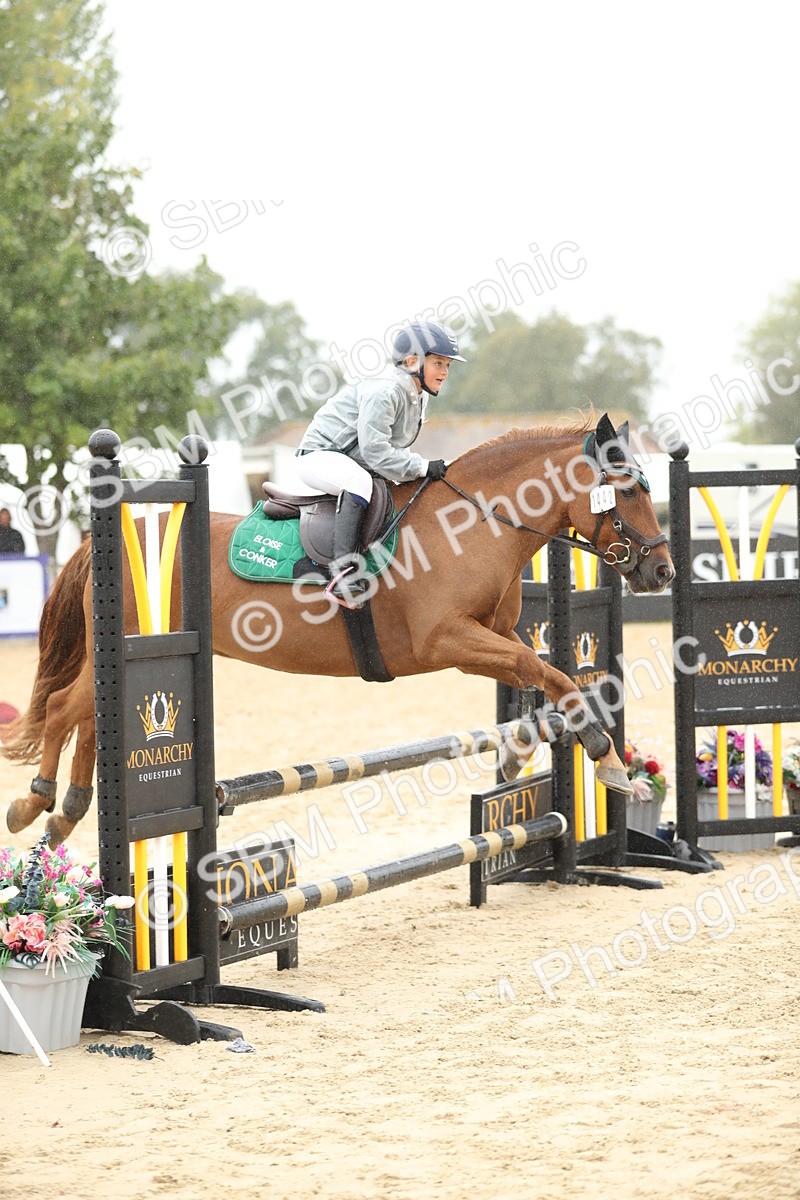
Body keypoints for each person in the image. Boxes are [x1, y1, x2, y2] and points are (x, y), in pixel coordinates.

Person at [295, 320, 466, 607]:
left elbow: (394, 449)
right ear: (412, 361)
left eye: (447, 365)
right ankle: (342, 575)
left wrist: (424, 470)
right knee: (359, 482)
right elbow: (375, 451)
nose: (445, 372)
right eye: (438, 363)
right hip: (319, 456)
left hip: (352, 460)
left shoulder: (417, 394)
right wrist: (423, 467)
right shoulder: (385, 391)